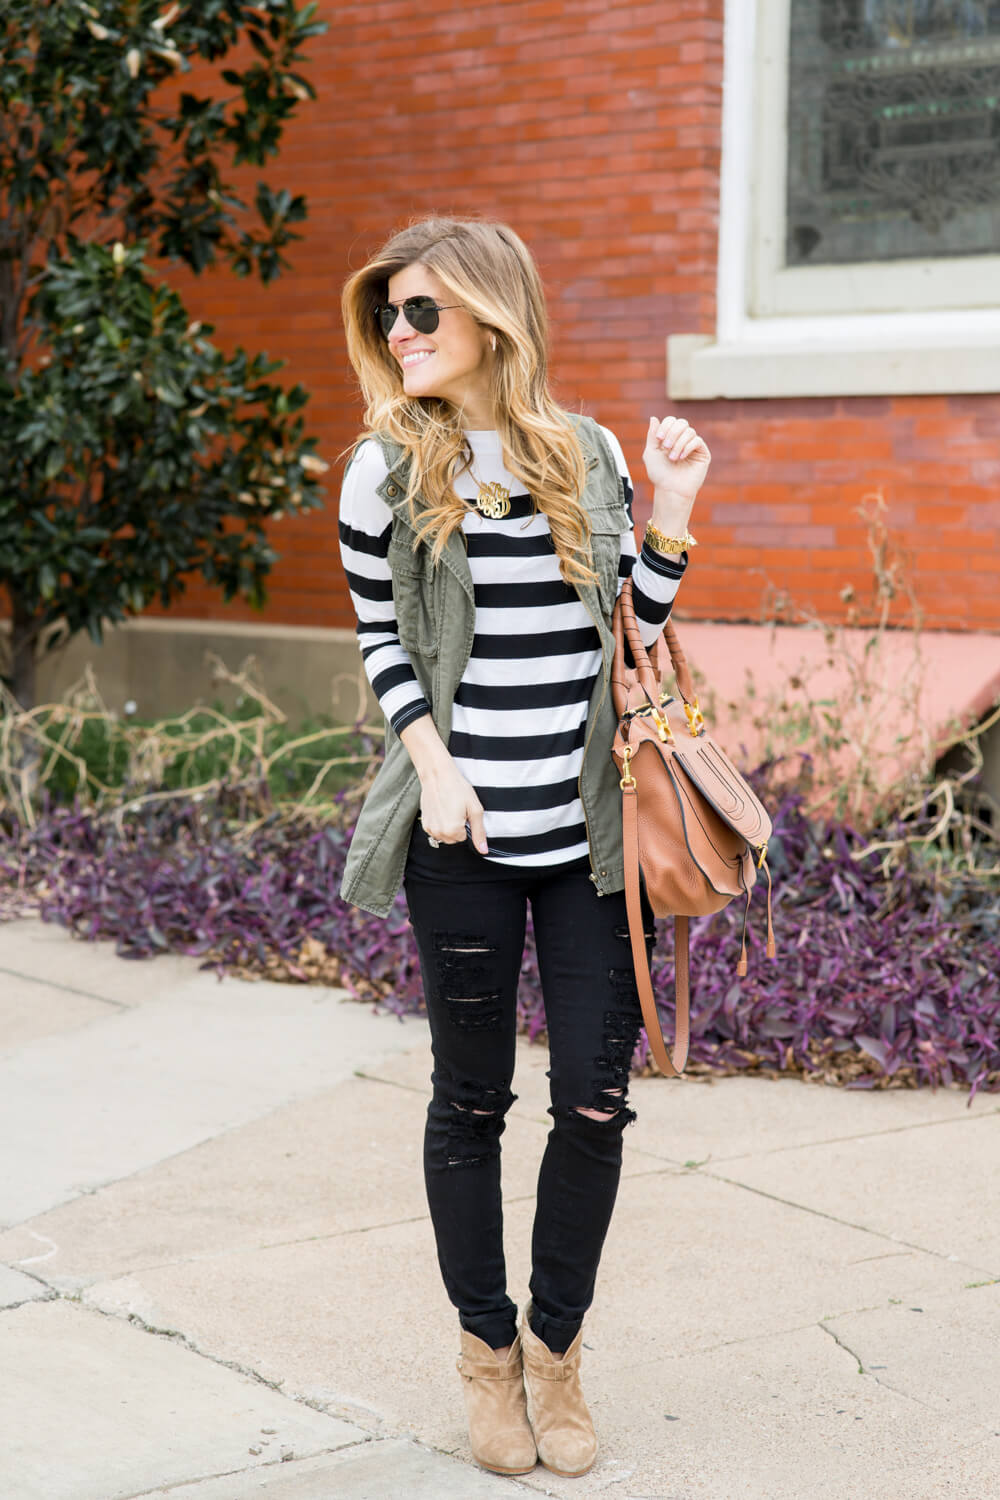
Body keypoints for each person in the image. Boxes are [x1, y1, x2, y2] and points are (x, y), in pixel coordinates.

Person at [338, 217, 710, 1480]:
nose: (399, 333)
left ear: (493, 315)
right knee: (471, 1102)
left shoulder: (584, 449)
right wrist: (433, 767)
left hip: (591, 844)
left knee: (596, 1106)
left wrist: (670, 509)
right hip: (467, 837)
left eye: (422, 312)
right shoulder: (382, 469)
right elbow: (384, 643)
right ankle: (485, 1357)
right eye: (390, 313)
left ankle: (558, 1356)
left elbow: (628, 622)